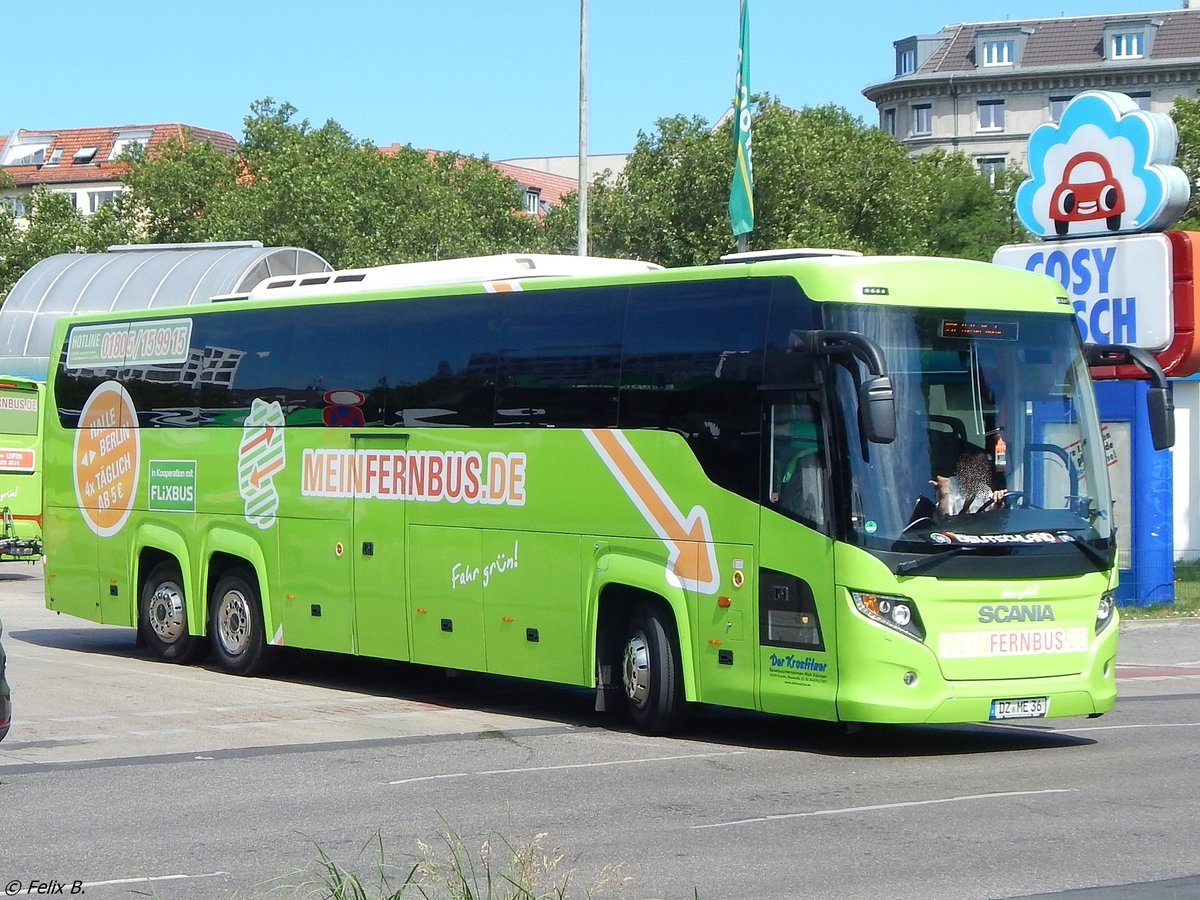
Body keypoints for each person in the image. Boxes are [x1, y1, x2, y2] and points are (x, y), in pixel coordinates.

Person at [932, 443, 1005, 515]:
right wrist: (944, 495)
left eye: (981, 466)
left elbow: (991, 511)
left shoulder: (983, 488)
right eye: (973, 465)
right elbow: (943, 518)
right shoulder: (949, 485)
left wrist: (998, 500)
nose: (977, 471)